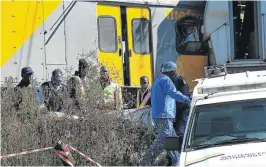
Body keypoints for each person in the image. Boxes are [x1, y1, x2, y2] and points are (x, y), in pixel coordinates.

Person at [140, 61, 191, 166]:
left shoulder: (158, 80)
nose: (175, 74)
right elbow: (174, 93)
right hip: (164, 116)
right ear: (172, 72)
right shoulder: (166, 80)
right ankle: (145, 162)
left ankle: (177, 161)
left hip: (161, 116)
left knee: (171, 139)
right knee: (164, 139)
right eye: (174, 72)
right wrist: (187, 100)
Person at [167, 67, 190, 166]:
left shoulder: (181, 82)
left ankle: (181, 156)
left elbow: (182, 99)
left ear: (172, 72)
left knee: (180, 133)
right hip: (172, 112)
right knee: (170, 135)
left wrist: (174, 110)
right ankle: (171, 158)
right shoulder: (169, 82)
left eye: (166, 72)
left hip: (181, 111)